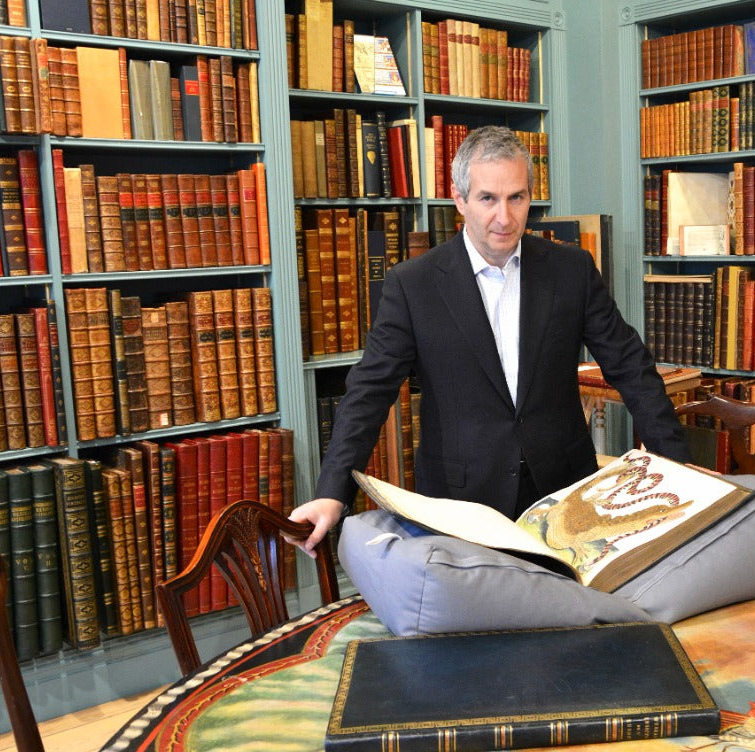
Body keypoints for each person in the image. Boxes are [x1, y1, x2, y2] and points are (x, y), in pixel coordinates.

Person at [288, 125, 690, 557]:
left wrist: (677, 466)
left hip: (564, 496)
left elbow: (629, 365)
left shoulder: (571, 270)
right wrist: (332, 491)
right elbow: (368, 392)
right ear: (459, 200)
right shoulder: (413, 285)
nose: (504, 217)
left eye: (516, 197)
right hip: (461, 502)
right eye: (488, 199)